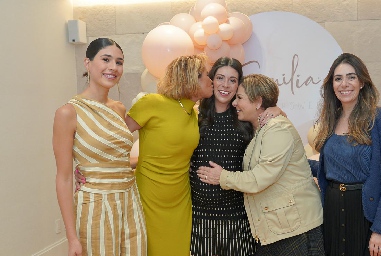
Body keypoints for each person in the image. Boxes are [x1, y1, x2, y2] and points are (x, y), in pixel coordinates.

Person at [197, 74, 325, 256]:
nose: (234, 103)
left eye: (240, 98)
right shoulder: (262, 129)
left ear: (258, 102)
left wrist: (222, 177)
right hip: (278, 228)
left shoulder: (277, 129)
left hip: (295, 230)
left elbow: (260, 178)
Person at [53, 38, 147, 256]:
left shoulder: (119, 108)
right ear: (88, 63)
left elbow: (116, 160)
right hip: (95, 206)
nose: (113, 67)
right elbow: (64, 178)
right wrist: (72, 237)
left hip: (130, 202)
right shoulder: (67, 113)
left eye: (119, 62)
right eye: (106, 59)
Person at [309, 53, 381, 256]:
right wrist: (299, 162)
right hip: (333, 213)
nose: (344, 84)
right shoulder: (330, 120)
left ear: (362, 82)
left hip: (367, 216)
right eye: (338, 79)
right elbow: (335, 169)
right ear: (332, 85)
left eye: (351, 77)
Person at [190, 57, 284, 256]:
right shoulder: (194, 116)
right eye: (220, 78)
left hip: (237, 218)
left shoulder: (245, 117)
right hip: (198, 218)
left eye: (232, 80)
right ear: (211, 81)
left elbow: (279, 136)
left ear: (239, 85)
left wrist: (277, 110)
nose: (225, 85)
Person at [124, 54, 214, 256]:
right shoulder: (152, 103)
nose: (211, 80)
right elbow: (116, 138)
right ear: (191, 78)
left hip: (180, 198)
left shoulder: (194, 114)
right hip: (150, 195)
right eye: (206, 76)